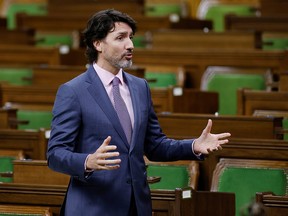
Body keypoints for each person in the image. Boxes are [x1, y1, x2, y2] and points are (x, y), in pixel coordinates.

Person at [47, 9, 231, 216]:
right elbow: (55, 154)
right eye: (120, 38)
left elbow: (155, 146)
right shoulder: (73, 91)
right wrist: (87, 162)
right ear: (97, 44)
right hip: (93, 207)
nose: (130, 45)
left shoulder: (139, 87)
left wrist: (194, 146)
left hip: (137, 206)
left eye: (131, 37)